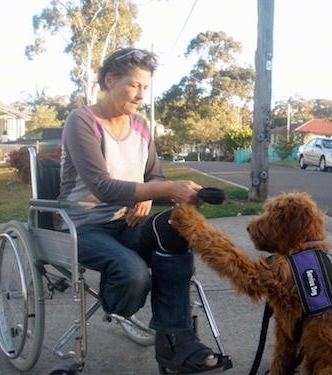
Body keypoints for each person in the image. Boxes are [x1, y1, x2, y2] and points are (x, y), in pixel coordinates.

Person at [57, 47, 221, 373]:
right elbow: (102, 186)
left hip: (130, 222)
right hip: (84, 226)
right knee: (133, 274)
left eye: (145, 88)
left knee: (176, 225)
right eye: (134, 85)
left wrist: (148, 195)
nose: (140, 95)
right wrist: (160, 189)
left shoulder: (142, 126)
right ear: (110, 80)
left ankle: (175, 341)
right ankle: (115, 297)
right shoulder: (82, 121)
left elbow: (154, 177)